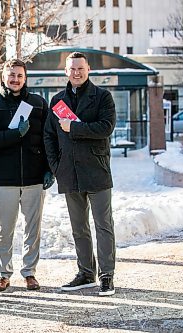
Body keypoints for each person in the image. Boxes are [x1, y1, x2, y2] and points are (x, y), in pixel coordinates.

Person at [43, 51, 116, 296]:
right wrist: (56, 166)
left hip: (97, 171)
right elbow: (49, 136)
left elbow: (106, 128)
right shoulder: (57, 101)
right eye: (72, 69)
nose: (76, 73)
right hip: (69, 172)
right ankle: (86, 273)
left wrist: (74, 127)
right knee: (79, 228)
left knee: (103, 225)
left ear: (88, 70)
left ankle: (106, 276)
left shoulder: (102, 97)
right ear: (66, 71)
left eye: (80, 69)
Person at [0, 58, 54, 292]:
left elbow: (49, 138)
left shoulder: (39, 103)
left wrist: (50, 168)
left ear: (25, 77)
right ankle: (3, 274)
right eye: (11, 75)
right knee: (4, 230)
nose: (15, 79)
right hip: (4, 178)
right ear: (3, 76)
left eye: (19, 75)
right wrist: (14, 134)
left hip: (34, 177)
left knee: (33, 229)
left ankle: (29, 273)